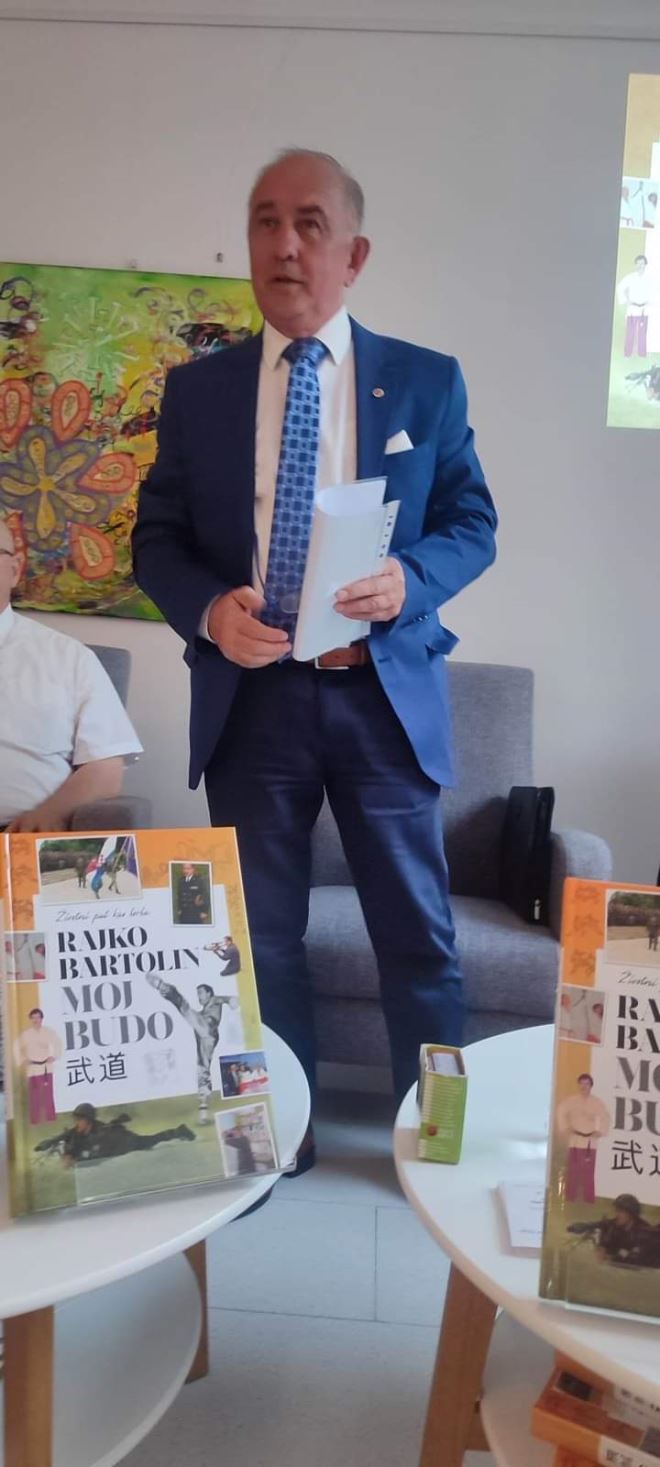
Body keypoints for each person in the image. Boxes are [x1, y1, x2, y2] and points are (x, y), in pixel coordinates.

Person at [132, 149, 497, 1165]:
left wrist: (410, 581)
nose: (284, 244)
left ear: (354, 255)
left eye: (309, 224)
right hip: (253, 700)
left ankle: (439, 1145)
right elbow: (157, 540)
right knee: (257, 939)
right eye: (264, 221)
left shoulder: (424, 381)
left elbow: (472, 523)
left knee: (418, 931)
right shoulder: (198, 392)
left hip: (380, 697)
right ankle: (278, 1136)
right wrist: (210, 612)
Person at [0, 517, 143, 831]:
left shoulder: (68, 658)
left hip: (21, 835)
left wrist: (52, 813)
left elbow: (105, 765)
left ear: (15, 568)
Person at [145, 973, 237, 1124]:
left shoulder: (214, 1000)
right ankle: (203, 1108)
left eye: (201, 993)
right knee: (202, 1068)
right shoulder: (202, 1013)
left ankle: (163, 987)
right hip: (206, 1037)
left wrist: (232, 1001)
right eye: (197, 993)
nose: (199, 996)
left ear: (209, 993)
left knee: (185, 1008)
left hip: (208, 1029)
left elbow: (225, 999)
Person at [35, 1101, 195, 1166]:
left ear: (88, 1120)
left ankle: (179, 1131)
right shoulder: (79, 1131)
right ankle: (178, 1131)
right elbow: (70, 1136)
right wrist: (50, 1143)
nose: (76, 1123)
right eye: (76, 1120)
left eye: (79, 1120)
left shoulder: (100, 1134)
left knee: (150, 1141)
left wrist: (75, 1158)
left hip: (126, 1142)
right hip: (116, 1142)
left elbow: (96, 1158)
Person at [556, 1073, 611, 1203]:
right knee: (573, 1171)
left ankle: (588, 1199)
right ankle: (570, 1197)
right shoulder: (571, 1101)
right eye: (581, 1083)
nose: (583, 1086)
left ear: (591, 1086)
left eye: (586, 1084)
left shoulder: (597, 1102)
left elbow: (606, 1117)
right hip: (575, 1140)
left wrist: (600, 1131)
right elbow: (560, 1111)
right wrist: (565, 1127)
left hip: (590, 1142)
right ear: (578, 1085)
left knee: (588, 1172)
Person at [13, 1007, 63, 1124]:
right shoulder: (26, 1034)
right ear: (30, 1019)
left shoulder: (48, 1032)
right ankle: (35, 1119)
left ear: (41, 1019)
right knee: (34, 1095)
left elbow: (58, 1043)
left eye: (38, 1017)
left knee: (48, 1094)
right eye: (33, 1018)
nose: (36, 1020)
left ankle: (50, 1117)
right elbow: (16, 1046)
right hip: (33, 1068)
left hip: (46, 1068)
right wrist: (22, 1060)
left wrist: (54, 1056)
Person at [617, 255, 652, 358]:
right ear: (635, 265)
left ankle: (642, 353)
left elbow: (655, 291)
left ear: (645, 264)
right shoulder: (630, 277)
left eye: (642, 263)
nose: (640, 265)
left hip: (644, 309)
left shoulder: (649, 278)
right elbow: (620, 287)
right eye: (638, 263)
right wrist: (625, 301)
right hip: (632, 308)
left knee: (642, 332)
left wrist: (651, 302)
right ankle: (627, 353)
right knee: (630, 332)